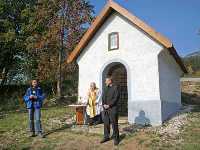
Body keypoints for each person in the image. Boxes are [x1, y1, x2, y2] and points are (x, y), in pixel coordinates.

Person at [100, 76, 120, 145]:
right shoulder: (105, 88)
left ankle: (116, 139)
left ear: (110, 81)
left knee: (114, 124)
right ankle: (106, 137)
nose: (105, 82)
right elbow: (103, 98)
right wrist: (104, 105)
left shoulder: (115, 88)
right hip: (105, 109)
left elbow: (116, 98)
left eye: (106, 81)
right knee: (106, 124)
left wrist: (109, 105)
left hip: (113, 109)